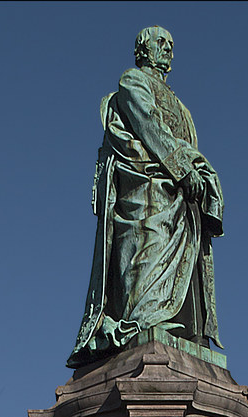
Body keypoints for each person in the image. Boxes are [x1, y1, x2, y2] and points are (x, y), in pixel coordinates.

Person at [68, 26, 224, 368]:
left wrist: (193, 173)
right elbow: (147, 124)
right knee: (144, 252)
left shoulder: (183, 107)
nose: (168, 50)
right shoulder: (132, 81)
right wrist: (181, 168)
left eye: (171, 45)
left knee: (179, 266)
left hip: (183, 199)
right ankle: (142, 323)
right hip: (148, 187)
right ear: (143, 50)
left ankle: (175, 327)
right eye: (160, 43)